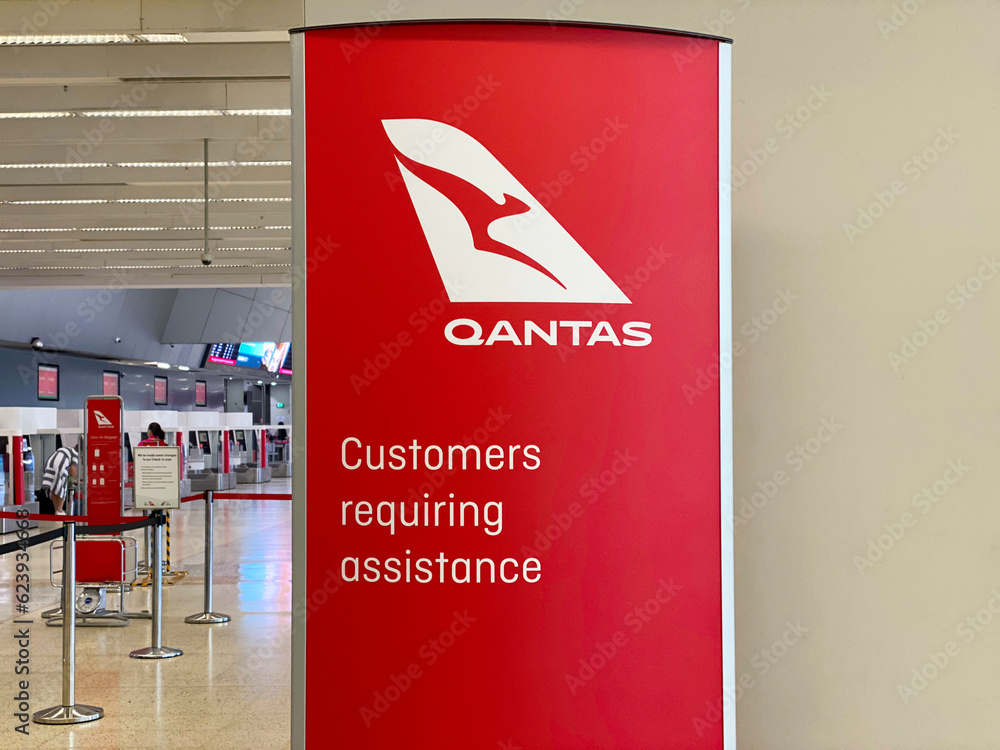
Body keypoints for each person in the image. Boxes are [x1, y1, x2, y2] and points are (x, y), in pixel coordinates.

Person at [40, 446, 79, 515]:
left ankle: (57, 511)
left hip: (49, 463)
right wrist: (73, 481)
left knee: (54, 487)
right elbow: (73, 470)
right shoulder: (75, 453)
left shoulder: (66, 448)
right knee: (62, 486)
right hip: (59, 464)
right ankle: (60, 510)